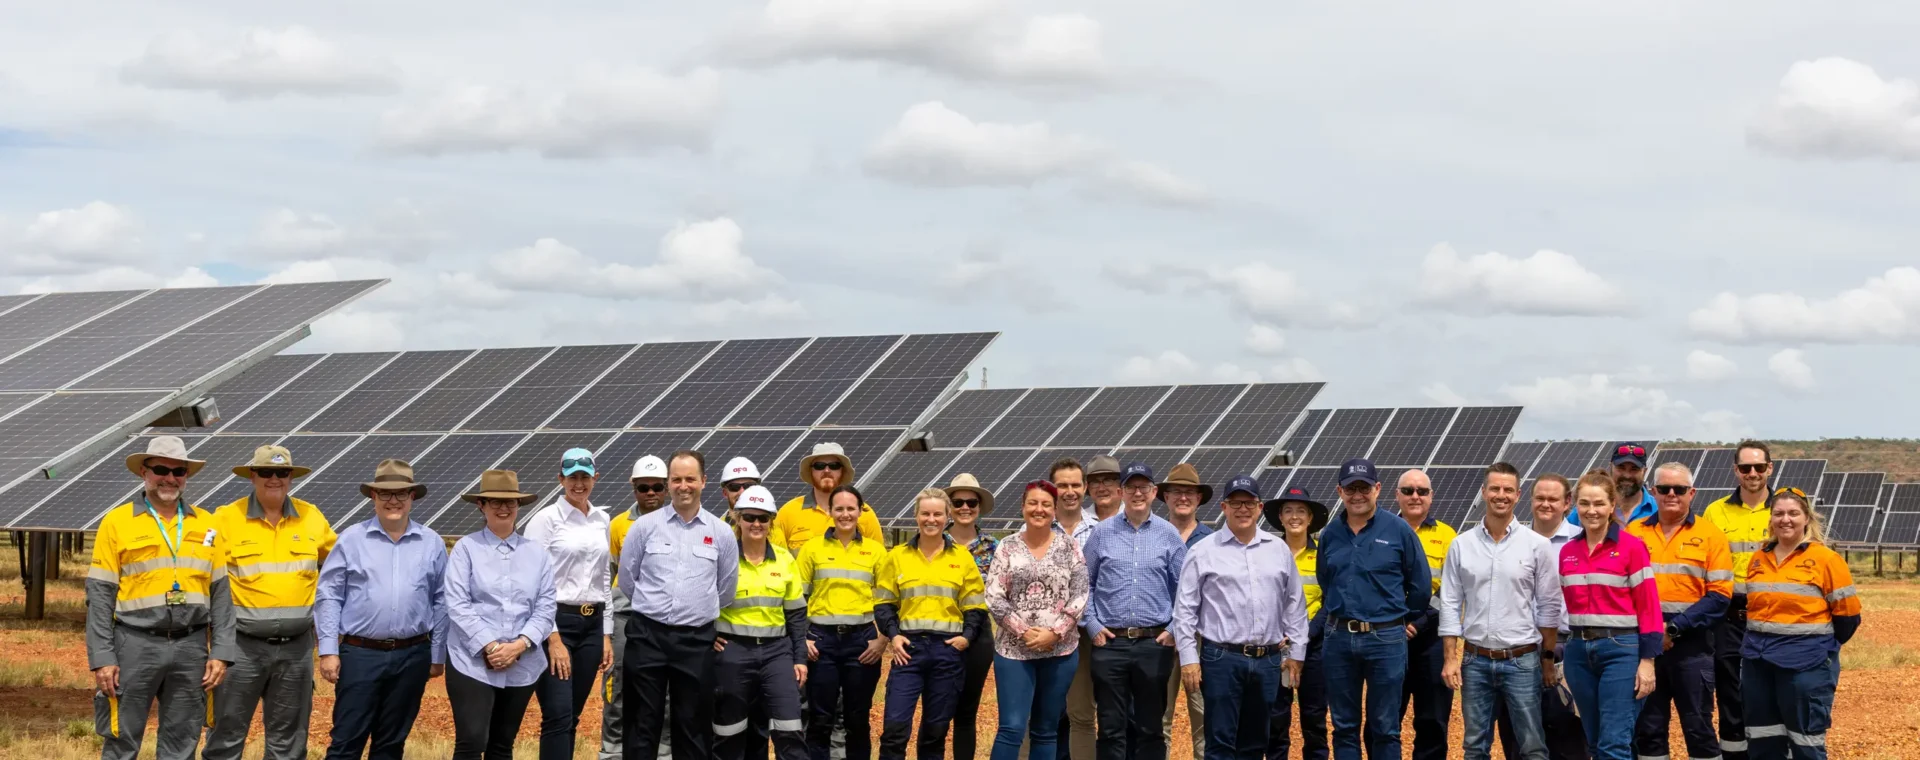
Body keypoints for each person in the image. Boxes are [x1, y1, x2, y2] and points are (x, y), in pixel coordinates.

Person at [86, 436, 235, 760]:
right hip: (134, 644)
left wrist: (221, 651)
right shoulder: (117, 522)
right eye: (161, 469)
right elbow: (100, 596)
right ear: (144, 472)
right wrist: (102, 657)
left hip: (191, 647)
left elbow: (221, 596)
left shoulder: (208, 525)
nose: (170, 478)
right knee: (121, 739)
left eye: (178, 471)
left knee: (183, 741)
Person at [206, 445, 336, 760]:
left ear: (291, 477)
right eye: (266, 472)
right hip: (240, 650)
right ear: (253, 476)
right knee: (225, 736)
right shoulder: (224, 519)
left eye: (282, 472)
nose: (274, 478)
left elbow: (342, 568)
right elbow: (198, 571)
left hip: (296, 650)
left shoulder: (312, 517)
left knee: (289, 743)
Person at [316, 459, 448, 760]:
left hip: (412, 655)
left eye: (401, 493)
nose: (393, 500)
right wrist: (328, 650)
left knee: (391, 744)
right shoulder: (351, 539)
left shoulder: (432, 543)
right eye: (385, 493)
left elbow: (442, 601)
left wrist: (437, 654)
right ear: (373, 497)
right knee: (346, 741)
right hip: (361, 654)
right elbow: (329, 595)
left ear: (412, 497)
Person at [1174, 474, 1309, 760]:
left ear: (1260, 507)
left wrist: (1297, 652)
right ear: (1223, 507)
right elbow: (1184, 611)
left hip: (1268, 661)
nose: (1243, 509)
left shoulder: (1278, 550)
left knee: (1255, 743)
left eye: (1249, 503)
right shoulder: (1203, 551)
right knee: (1220, 742)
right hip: (1222, 658)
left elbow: (1294, 605)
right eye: (1236, 503)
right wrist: (1189, 659)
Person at [618, 450, 741, 760]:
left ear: (703, 481)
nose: (683, 485)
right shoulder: (644, 528)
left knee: (693, 726)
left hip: (696, 642)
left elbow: (725, 590)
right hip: (647, 637)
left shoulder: (721, 533)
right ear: (668, 483)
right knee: (641, 725)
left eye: (690, 479)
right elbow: (628, 580)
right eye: (676, 479)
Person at [1437, 463, 1563, 760]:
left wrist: (1546, 660)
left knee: (1532, 745)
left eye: (1508, 490)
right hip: (1475, 661)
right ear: (1484, 492)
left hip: (1523, 661)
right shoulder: (1461, 545)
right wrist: (1450, 658)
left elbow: (1548, 606)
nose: (1501, 495)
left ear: (1518, 495)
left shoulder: (1537, 545)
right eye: (1494, 488)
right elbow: (1451, 603)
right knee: (1474, 746)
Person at [1317, 458, 1429, 760]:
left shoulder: (1399, 530)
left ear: (1377, 489)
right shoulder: (1329, 535)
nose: (1357, 495)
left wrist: (1394, 617)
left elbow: (1419, 586)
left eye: (1364, 488)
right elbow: (1326, 583)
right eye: (1350, 488)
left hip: (1386, 639)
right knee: (1343, 726)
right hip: (1339, 638)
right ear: (1340, 491)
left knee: (1385, 726)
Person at [1740, 488, 1860, 760]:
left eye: (1793, 513)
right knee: (1762, 741)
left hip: (1805, 666)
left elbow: (1848, 617)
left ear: (1807, 518)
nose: (1786, 520)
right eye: (1778, 513)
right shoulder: (1759, 558)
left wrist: (1818, 650)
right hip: (1758, 664)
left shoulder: (1827, 560)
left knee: (1806, 742)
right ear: (1770, 519)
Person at [444, 470, 557, 760]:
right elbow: (457, 603)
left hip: (523, 661)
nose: (504, 508)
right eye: (495, 501)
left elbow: (546, 606)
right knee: (471, 741)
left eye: (510, 502)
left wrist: (519, 645)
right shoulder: (466, 549)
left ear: (519, 506)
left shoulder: (538, 554)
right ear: (481, 505)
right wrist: (491, 647)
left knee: (502, 744)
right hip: (472, 660)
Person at [1626, 463, 1733, 760]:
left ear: (1692, 493)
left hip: (1692, 647)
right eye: (1664, 489)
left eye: (1680, 489)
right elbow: (1622, 589)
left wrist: (1672, 629)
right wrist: (1652, 632)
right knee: (1648, 729)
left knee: (1698, 727)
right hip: (1645, 647)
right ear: (1652, 492)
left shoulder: (1712, 536)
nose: (1671, 494)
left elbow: (1720, 596)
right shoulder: (1633, 533)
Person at [1082, 463, 1186, 760]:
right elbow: (1084, 583)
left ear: (1154, 492)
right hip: (1110, 643)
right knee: (1111, 728)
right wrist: (1091, 623)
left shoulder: (1169, 535)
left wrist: (1174, 628)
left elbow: (1186, 589)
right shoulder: (1101, 534)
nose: (1137, 493)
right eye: (1131, 487)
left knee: (1151, 728)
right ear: (1120, 492)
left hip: (1154, 644)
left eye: (1144, 487)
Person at [876, 489, 988, 760]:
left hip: (947, 652)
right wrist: (893, 635)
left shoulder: (961, 558)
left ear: (947, 517)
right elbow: (883, 603)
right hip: (908, 651)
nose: (931, 519)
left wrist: (967, 638)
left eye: (938, 513)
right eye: (925, 513)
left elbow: (975, 606)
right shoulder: (897, 557)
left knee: (935, 732)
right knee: (895, 728)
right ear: (916, 516)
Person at [1558, 471, 1660, 760]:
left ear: (1612, 505)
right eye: (1585, 503)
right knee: (1594, 741)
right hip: (1578, 652)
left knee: (1613, 744)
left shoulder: (1632, 548)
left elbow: (1649, 607)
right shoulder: (1568, 552)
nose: (1592, 511)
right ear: (1575, 505)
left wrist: (1647, 661)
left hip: (1621, 651)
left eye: (1599, 503)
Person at [986, 481, 1090, 760]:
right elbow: (994, 596)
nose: (1039, 509)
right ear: (1023, 508)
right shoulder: (1007, 547)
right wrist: (1024, 632)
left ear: (1054, 511)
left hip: (1060, 651)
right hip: (1014, 652)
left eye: (1046, 504)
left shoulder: (1069, 547)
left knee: (1046, 729)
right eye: (1033, 503)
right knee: (1012, 727)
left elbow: (1080, 594)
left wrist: (1055, 633)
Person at [524, 448, 615, 760]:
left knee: (573, 714)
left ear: (595, 478)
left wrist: (605, 632)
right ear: (560, 478)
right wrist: (551, 638)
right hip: (556, 622)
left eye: (585, 477)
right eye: (572, 476)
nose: (579, 483)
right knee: (558, 714)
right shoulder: (545, 520)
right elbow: (532, 581)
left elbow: (605, 576)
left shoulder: (603, 519)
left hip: (592, 624)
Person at [1495, 474, 1589, 760]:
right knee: (1518, 740)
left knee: (1569, 739)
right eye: (1540, 498)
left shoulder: (1582, 541)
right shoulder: (1509, 540)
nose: (1545, 504)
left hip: (1567, 649)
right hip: (1516, 650)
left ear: (1567, 503)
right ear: (1529, 499)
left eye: (1553, 499)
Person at [712, 485, 808, 760]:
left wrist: (800, 659)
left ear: (771, 522)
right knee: (729, 731)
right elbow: (700, 601)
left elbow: (796, 616)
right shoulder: (723, 557)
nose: (756, 523)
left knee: (790, 727)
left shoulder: (785, 559)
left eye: (763, 518)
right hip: (732, 652)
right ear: (737, 518)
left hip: (776, 653)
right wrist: (708, 635)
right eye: (749, 517)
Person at [793, 484, 888, 760]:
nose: (845, 514)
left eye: (850, 508)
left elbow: (888, 602)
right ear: (830, 512)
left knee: (857, 720)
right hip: (821, 643)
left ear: (860, 511)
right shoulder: (812, 549)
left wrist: (881, 640)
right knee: (820, 719)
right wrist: (803, 640)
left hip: (862, 644)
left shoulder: (876, 552)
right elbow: (797, 602)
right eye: (839, 509)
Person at [1702, 440, 1776, 760]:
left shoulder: (1784, 509)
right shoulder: (1715, 512)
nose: (1752, 473)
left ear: (1769, 468)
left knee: (1771, 690)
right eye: (1745, 468)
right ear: (1736, 471)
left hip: (1772, 617)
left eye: (1759, 467)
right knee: (1729, 693)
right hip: (1728, 615)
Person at [605, 455, 672, 760]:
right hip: (624, 615)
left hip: (664, 618)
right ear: (634, 488)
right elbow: (610, 572)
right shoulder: (618, 524)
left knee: (666, 689)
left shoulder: (679, 521)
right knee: (616, 684)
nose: (650, 493)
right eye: (643, 487)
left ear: (666, 488)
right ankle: (613, 751)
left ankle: (663, 752)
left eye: (657, 486)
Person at [1394, 469, 1456, 760]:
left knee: (1432, 721)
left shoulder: (1448, 536)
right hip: (1389, 638)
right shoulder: (1381, 530)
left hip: (1432, 639)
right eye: (1408, 491)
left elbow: (1451, 592)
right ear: (1397, 495)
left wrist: (1418, 622)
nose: (1415, 496)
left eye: (1421, 491)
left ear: (1431, 497)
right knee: (1385, 719)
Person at [1265, 485, 1330, 760]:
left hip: (1315, 648)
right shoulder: (1266, 552)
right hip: (1275, 648)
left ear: (1310, 517)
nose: (1295, 517)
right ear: (1280, 517)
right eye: (1288, 511)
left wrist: (1306, 634)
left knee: (1314, 720)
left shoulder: (1324, 555)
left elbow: (1332, 601)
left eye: (1301, 511)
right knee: (1275, 721)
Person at [944, 473, 1000, 760]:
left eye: (971, 502)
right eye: (958, 502)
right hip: (938, 635)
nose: (965, 507)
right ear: (949, 506)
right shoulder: (933, 543)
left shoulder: (994, 547)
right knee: (937, 711)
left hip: (978, 637)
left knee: (966, 712)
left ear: (979, 506)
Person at [1160, 463, 1214, 760]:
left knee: (1204, 719)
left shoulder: (1214, 540)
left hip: (1202, 640)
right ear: (1165, 497)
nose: (1183, 497)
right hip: (1159, 640)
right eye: (1176, 491)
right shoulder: (1152, 534)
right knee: (1159, 720)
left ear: (1198, 499)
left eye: (1189, 492)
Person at [1048, 457, 1099, 760]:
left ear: (1085, 488)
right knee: (1040, 714)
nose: (1069, 491)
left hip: (1085, 635)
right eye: (1062, 485)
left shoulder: (1102, 531)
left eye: (1075, 484)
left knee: (1082, 713)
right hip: (1041, 638)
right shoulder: (1036, 528)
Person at [774, 443, 885, 553]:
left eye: (834, 466)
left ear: (842, 471)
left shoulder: (864, 512)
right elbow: (776, 559)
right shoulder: (788, 512)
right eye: (819, 466)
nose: (827, 470)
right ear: (811, 471)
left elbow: (879, 559)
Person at [1570, 444, 1655, 528]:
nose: (1627, 475)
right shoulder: (1585, 512)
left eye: (1634, 469)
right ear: (1610, 467)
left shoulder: (1658, 510)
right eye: (1621, 468)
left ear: (1645, 471)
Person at [1085, 454, 1126, 524]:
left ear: (1120, 484)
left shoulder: (1136, 517)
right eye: (1095, 482)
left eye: (1107, 481)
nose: (1101, 489)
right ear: (1088, 488)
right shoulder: (1078, 520)